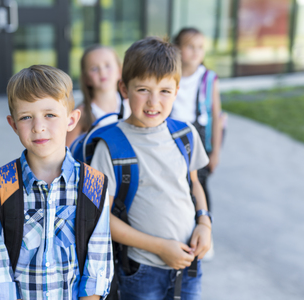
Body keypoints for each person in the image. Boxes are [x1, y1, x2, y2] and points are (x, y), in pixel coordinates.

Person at [90, 37, 212, 300]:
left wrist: (204, 222)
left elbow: (194, 185)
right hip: (142, 269)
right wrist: (160, 247)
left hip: (189, 263)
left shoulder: (185, 135)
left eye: (165, 91)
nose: (154, 102)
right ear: (124, 88)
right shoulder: (110, 146)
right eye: (143, 89)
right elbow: (101, 219)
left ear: (177, 90)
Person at [0, 65, 113, 300]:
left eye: (50, 115)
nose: (38, 126)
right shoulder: (1, 185)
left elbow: (98, 261)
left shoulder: (93, 183)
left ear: (71, 120)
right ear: (13, 124)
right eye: (26, 117)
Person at [170, 27, 223, 212]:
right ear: (176, 48)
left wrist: (215, 152)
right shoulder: (169, 74)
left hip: (200, 138)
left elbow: (216, 118)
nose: (196, 51)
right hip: (173, 133)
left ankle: (203, 220)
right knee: (176, 181)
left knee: (198, 183)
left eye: (200, 47)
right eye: (190, 46)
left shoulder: (208, 78)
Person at [66, 45, 131, 146]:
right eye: (94, 69)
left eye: (107, 66)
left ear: (119, 71)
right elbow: (66, 150)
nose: (102, 72)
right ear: (86, 79)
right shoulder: (81, 114)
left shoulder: (131, 104)